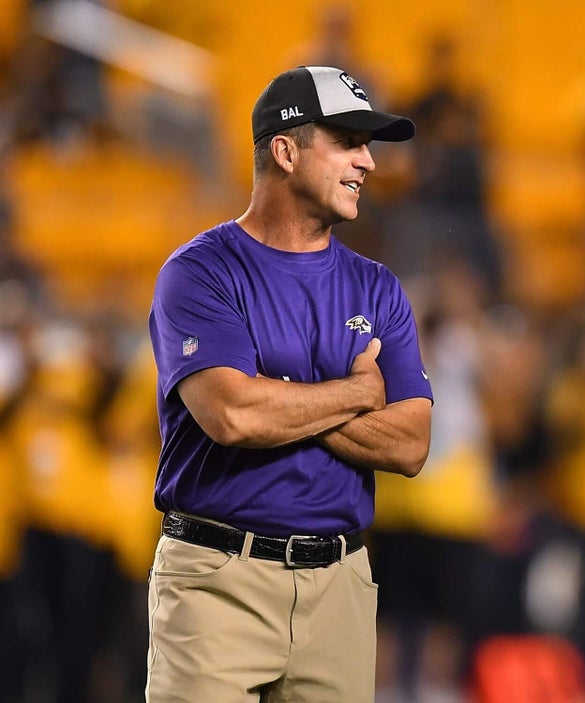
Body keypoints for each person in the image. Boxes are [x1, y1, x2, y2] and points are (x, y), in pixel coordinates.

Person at [145, 66, 433, 701]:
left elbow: (411, 445)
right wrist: (355, 394)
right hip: (217, 582)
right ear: (284, 150)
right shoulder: (200, 272)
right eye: (348, 142)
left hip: (341, 586)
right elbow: (234, 417)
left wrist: (280, 394)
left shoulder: (378, 287)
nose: (368, 162)